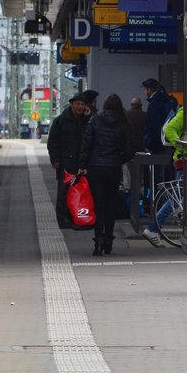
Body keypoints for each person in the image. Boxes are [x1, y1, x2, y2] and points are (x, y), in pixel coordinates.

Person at [78, 93, 133, 256]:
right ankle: (108, 240)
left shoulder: (95, 120)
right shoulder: (123, 123)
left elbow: (86, 144)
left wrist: (82, 165)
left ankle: (98, 241)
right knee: (110, 206)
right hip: (113, 169)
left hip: (95, 168)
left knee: (98, 205)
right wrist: (118, 159)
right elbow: (130, 150)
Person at [143, 103, 186, 246]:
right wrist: (182, 146)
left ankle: (153, 228)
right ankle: (152, 227)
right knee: (178, 196)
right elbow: (169, 129)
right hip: (185, 159)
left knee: (179, 196)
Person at [47, 92, 91, 228]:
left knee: (79, 192)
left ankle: (75, 217)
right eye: (77, 104)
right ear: (71, 105)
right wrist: (55, 159)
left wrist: (88, 115)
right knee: (64, 192)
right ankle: (62, 219)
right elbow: (52, 142)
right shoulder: (60, 121)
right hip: (65, 163)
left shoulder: (86, 121)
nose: (80, 107)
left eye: (82, 104)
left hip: (81, 162)